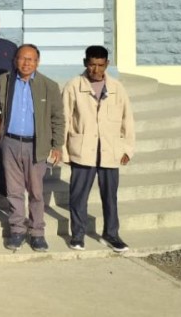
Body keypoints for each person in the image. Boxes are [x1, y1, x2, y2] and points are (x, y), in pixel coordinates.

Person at [62, 45, 135, 253]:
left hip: (110, 151)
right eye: (92, 65)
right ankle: (77, 235)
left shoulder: (117, 88)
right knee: (78, 197)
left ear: (107, 64)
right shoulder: (74, 86)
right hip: (82, 150)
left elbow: (127, 120)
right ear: (85, 63)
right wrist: (64, 150)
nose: (96, 70)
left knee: (110, 196)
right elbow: (65, 119)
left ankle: (111, 235)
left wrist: (127, 149)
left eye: (100, 65)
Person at [0, 44, 65, 252]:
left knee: (36, 191)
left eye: (31, 59)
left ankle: (37, 232)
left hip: (36, 145)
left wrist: (57, 145)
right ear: (16, 60)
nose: (26, 63)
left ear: (37, 62)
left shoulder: (48, 85)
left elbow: (57, 118)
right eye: (23, 58)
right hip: (10, 143)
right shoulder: (4, 80)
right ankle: (17, 230)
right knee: (14, 191)